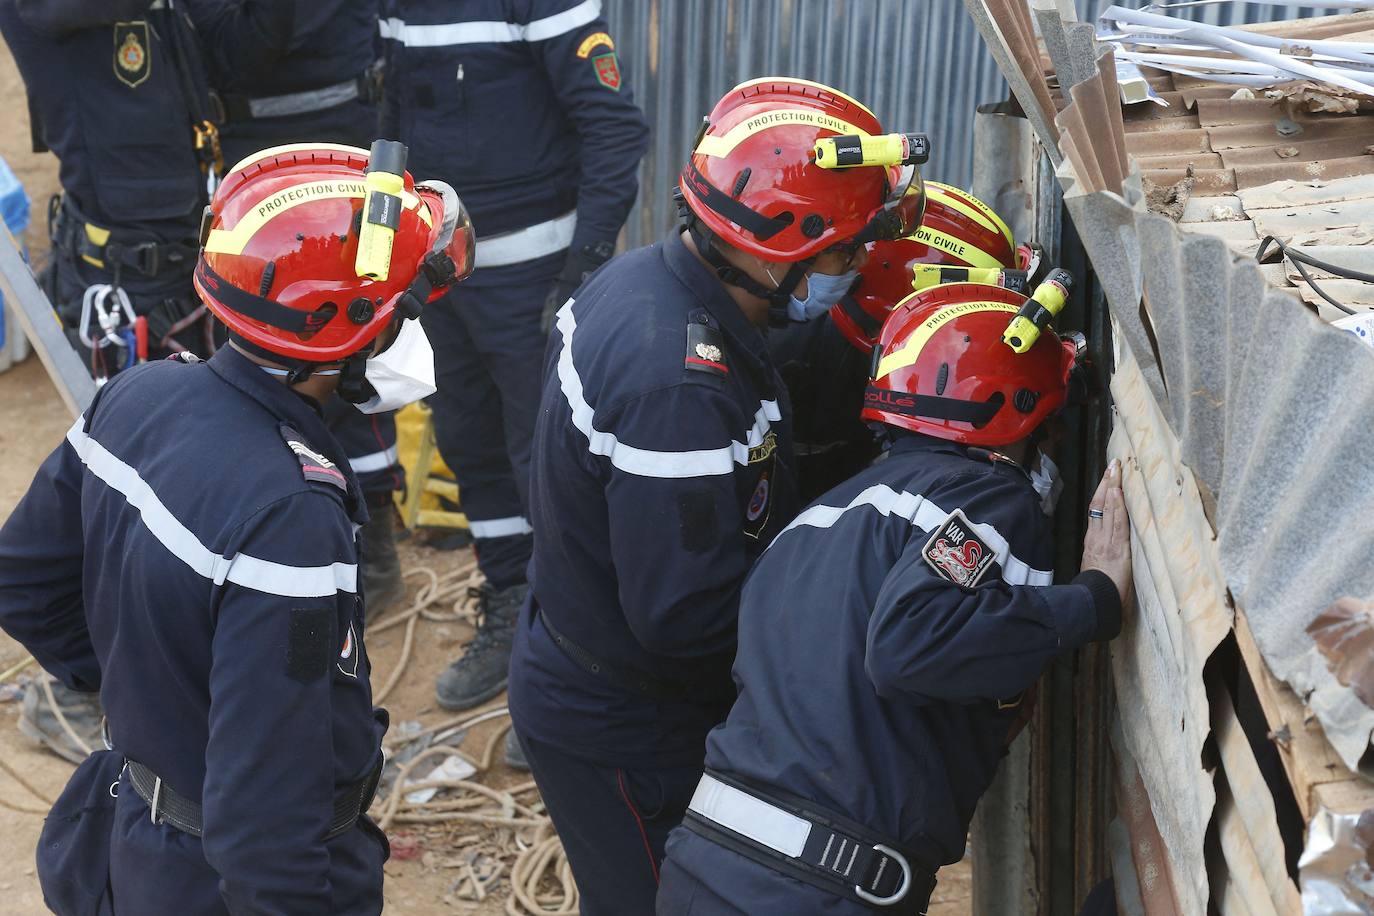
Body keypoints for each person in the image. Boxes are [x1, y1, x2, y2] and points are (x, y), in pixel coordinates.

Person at [0, 140, 474, 913]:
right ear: (339, 336)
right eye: (402, 314)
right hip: (221, 885)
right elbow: (266, 829)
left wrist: (151, 695)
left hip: (137, 833)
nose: (411, 333)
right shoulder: (290, 515)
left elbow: (23, 583)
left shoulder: (138, 394)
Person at [506, 77, 928, 914]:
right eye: (845, 251)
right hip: (631, 725)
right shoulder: (678, 387)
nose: (851, 269)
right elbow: (686, 619)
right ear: (778, 248)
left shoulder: (658, 285)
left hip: (601, 668)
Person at [655, 280, 1131, 915]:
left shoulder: (815, 520)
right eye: (1053, 424)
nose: (1055, 444)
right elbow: (913, 645)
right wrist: (1095, 600)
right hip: (817, 889)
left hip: (701, 863)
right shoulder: (986, 496)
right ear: (1017, 417)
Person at [0, 0, 290, 761]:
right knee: (125, 484)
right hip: (121, 283)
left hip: (192, 269)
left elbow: (243, 52)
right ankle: (84, 683)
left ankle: (179, 653)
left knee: (190, 476)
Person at [377, 0, 650, 713]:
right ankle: (511, 607)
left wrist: (582, 266)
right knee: (471, 446)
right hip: (439, 282)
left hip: (532, 281)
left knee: (552, 469)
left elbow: (615, 128)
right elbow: (386, 124)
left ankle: (578, 661)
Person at [187, 0, 410, 617]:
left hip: (343, 148)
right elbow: (225, 43)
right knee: (261, 360)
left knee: (352, 349)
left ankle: (378, 553)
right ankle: (275, 531)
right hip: (250, 162)